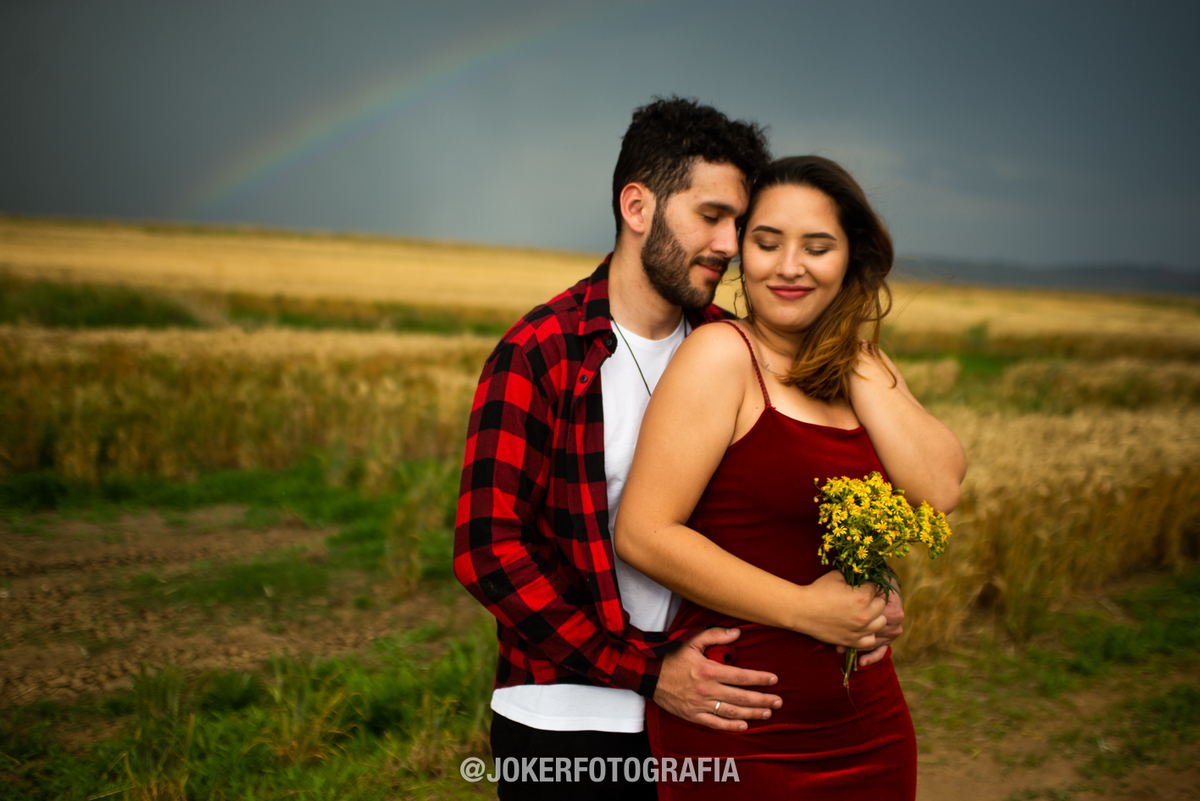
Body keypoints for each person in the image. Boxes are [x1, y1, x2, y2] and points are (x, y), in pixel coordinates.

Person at [454, 97, 791, 800]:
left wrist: (855, 598)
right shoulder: (541, 351)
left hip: (708, 710)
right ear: (637, 207)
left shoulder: (733, 351)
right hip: (565, 722)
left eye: (738, 221)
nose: (730, 244)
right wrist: (645, 670)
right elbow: (489, 549)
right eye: (711, 215)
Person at [614, 155, 967, 800]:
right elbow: (643, 533)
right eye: (767, 243)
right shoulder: (722, 357)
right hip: (741, 724)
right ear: (742, 252)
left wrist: (850, 349)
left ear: (850, 259)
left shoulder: (862, 368)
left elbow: (939, 488)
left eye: (818, 248)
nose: (789, 266)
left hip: (868, 724)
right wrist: (806, 610)